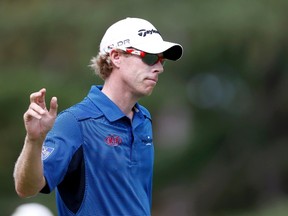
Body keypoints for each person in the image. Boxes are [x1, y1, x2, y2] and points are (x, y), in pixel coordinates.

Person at [13, 17, 183, 216]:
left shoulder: (143, 119)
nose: (159, 68)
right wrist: (34, 141)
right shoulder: (75, 123)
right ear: (116, 57)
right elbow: (26, 188)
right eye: (149, 57)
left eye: (161, 60)